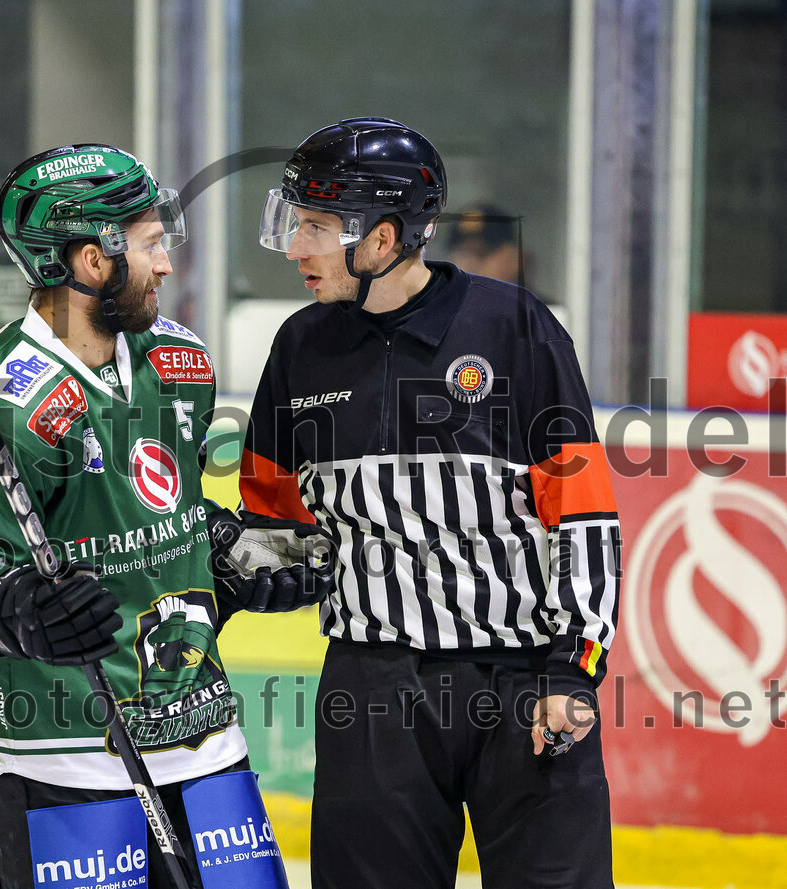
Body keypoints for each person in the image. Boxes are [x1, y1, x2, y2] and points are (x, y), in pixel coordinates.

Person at [0, 143, 329, 889]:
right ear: (88, 261)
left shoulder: (180, 361)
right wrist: (12, 609)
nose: (166, 263)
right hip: (56, 745)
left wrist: (223, 551)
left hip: (199, 731)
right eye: (148, 244)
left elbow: (162, 506)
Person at [242, 118, 622, 889]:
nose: (294, 248)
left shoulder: (517, 330)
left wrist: (574, 671)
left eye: (314, 226)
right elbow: (277, 534)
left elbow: (584, 516)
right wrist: (210, 554)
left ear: (382, 239)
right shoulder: (298, 348)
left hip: (527, 682)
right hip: (371, 695)